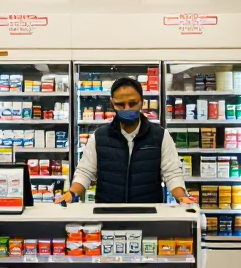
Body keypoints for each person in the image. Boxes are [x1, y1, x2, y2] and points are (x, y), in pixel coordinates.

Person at [56, 77, 196, 205]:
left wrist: (182, 197)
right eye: (120, 105)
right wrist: (72, 193)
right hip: (107, 213)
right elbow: (85, 172)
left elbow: (172, 173)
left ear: (142, 101)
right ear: (112, 103)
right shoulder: (99, 137)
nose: (127, 109)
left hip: (148, 215)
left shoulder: (160, 136)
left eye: (132, 103)